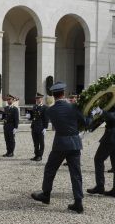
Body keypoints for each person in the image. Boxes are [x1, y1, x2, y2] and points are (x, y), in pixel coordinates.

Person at [31, 82, 89, 213]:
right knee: (76, 174)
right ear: (63, 93)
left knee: (50, 169)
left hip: (60, 144)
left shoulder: (50, 110)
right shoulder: (74, 107)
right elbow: (85, 123)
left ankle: (46, 195)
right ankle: (78, 202)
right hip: (74, 143)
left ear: (53, 95)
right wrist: (89, 113)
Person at [87, 105, 115, 198]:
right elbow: (103, 119)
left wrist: (101, 112)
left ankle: (100, 186)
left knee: (99, 159)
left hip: (112, 136)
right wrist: (89, 128)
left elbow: (113, 116)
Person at [29, 93, 48, 161]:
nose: (37, 99)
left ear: (41, 99)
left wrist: (45, 127)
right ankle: (36, 155)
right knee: (35, 142)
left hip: (41, 127)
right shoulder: (35, 106)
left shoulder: (45, 107)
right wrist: (29, 117)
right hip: (34, 127)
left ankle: (40, 155)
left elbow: (46, 118)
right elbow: (33, 117)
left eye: (38, 98)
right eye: (36, 98)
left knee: (41, 142)